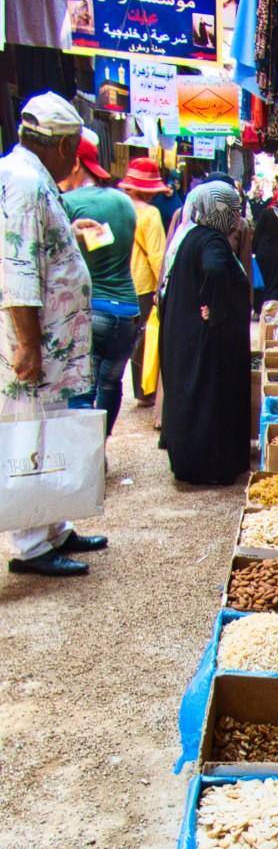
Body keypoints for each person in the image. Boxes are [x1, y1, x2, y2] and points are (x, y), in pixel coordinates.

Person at [1, 93, 109, 578]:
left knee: (51, 432)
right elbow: (18, 271)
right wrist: (26, 343)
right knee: (30, 435)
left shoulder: (31, 178)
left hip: (52, 343)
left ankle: (54, 527)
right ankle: (30, 544)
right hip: (37, 343)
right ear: (64, 144)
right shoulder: (24, 182)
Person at [159, 181, 251, 486]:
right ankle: (212, 466)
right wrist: (215, 308)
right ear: (221, 211)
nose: (237, 217)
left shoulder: (192, 235)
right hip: (207, 340)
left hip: (186, 335)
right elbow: (214, 269)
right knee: (209, 398)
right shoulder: (213, 240)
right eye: (233, 210)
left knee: (192, 396)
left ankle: (191, 461)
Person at [60, 131, 139, 435]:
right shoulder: (124, 202)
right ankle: (99, 444)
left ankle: (88, 457)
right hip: (128, 310)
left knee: (82, 388)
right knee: (110, 383)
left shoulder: (66, 203)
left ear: (76, 162)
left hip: (92, 309)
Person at [118, 157, 167, 407]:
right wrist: (164, 286)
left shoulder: (114, 206)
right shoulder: (149, 214)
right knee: (143, 339)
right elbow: (157, 254)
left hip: (113, 282)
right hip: (142, 284)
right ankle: (143, 390)